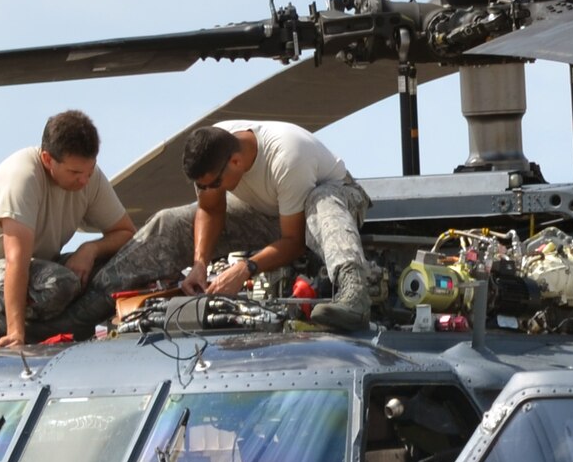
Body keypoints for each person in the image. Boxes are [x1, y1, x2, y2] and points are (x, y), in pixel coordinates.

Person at [77, 119, 372, 332]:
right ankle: (81, 309)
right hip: (267, 211)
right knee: (170, 221)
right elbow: (210, 208)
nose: (211, 188)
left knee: (321, 201)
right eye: (201, 185)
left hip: (330, 205)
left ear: (235, 162)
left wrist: (246, 268)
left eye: (214, 183)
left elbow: (293, 241)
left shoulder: (287, 156)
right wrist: (199, 263)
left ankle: (353, 295)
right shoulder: (218, 146)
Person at [0, 111, 134, 348]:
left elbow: (126, 233)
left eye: (89, 171)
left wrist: (91, 249)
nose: (84, 181)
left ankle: (78, 332)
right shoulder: (21, 177)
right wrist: (16, 333)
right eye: (75, 173)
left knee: (125, 269)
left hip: (40, 265)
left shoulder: (90, 178)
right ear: (47, 159)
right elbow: (17, 260)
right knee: (58, 284)